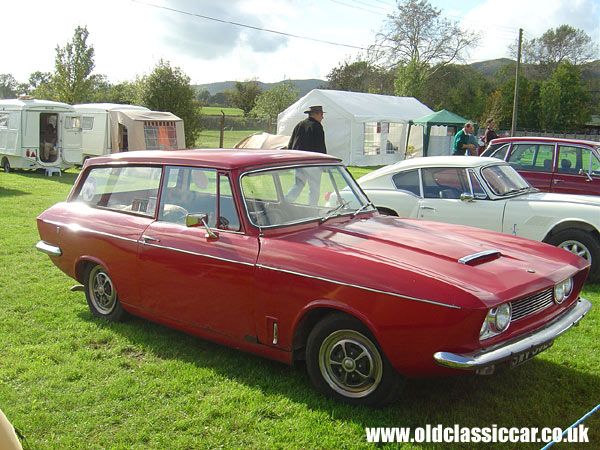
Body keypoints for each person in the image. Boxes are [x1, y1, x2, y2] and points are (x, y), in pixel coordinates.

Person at [285, 106, 327, 204]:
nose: (322, 117)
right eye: (321, 114)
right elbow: (320, 146)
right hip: (312, 163)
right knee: (314, 188)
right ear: (315, 114)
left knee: (298, 185)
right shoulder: (317, 126)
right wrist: (323, 163)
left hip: (299, 162)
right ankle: (312, 209)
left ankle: (286, 202)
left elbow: (291, 144)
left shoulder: (300, 125)